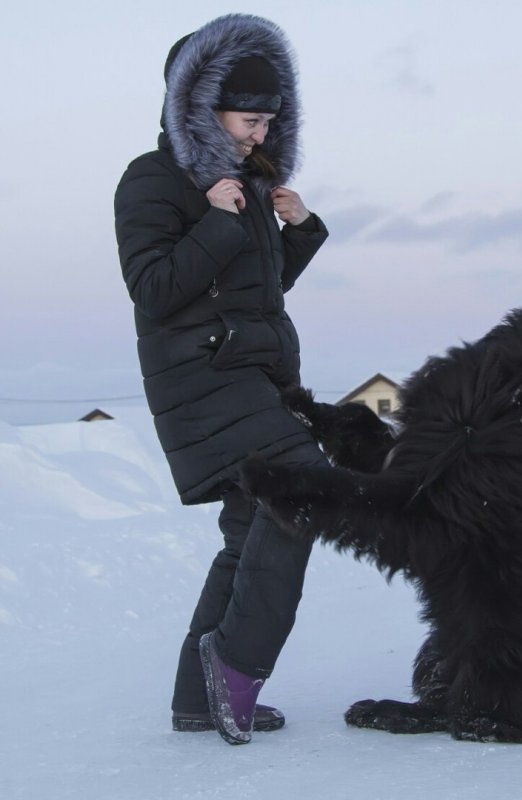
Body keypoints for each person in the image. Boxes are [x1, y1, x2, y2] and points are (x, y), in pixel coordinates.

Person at [114, 13, 330, 745]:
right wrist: (214, 221)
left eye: (270, 121)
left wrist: (296, 232)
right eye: (247, 119)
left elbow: (256, 295)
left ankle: (197, 699)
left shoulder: (249, 182)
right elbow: (154, 290)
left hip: (256, 373)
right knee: (302, 487)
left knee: (250, 532)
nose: (258, 135)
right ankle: (234, 667)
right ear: (197, 109)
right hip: (201, 377)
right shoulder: (150, 180)